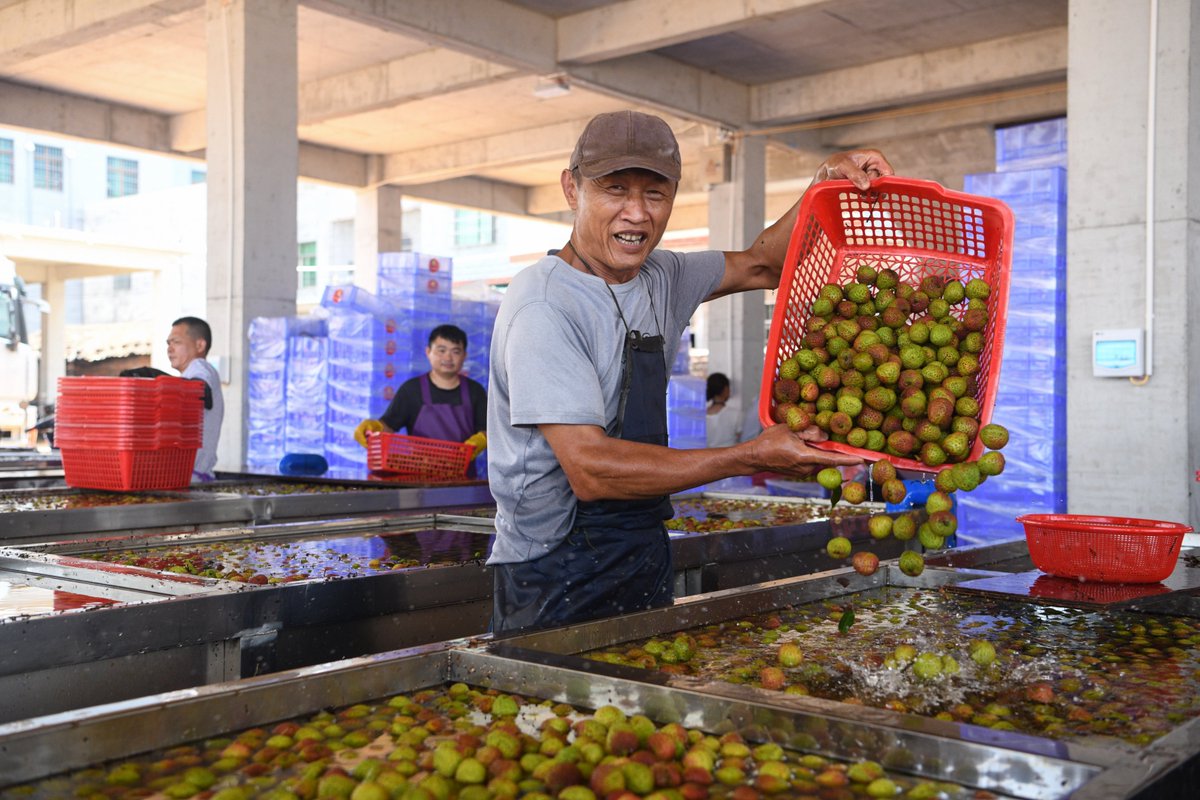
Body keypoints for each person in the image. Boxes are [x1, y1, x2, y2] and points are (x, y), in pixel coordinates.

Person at [486, 109, 893, 633]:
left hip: (642, 549)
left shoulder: (662, 275)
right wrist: (748, 456)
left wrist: (823, 184)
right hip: (551, 570)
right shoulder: (544, 304)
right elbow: (590, 468)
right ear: (572, 189)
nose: (636, 214)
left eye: (655, 194)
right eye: (614, 190)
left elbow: (765, 264)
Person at [353, 324, 487, 475]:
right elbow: (389, 425)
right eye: (441, 350)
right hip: (418, 477)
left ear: (464, 356)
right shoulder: (411, 390)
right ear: (428, 352)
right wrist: (374, 427)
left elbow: (486, 430)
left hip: (463, 478)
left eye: (455, 352)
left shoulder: (475, 391)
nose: (448, 358)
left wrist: (483, 438)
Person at [704, 372, 739, 448]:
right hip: (729, 457)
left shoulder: (700, 416)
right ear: (725, 389)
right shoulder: (735, 414)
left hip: (706, 457)